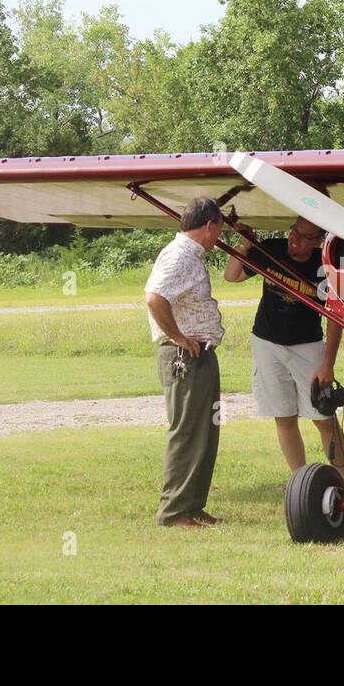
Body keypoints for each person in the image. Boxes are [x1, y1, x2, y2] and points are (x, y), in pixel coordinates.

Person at [224, 217, 344, 484]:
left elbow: (335, 316)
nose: (295, 240)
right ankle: (301, 484)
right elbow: (232, 276)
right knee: (283, 416)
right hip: (266, 343)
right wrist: (245, 245)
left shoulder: (325, 265)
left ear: (319, 240)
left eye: (305, 237)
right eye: (294, 232)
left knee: (324, 418)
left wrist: (328, 364)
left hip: (307, 346)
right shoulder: (273, 249)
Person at [144, 197, 226, 529]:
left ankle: (192, 505)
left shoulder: (191, 256)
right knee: (187, 431)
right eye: (219, 230)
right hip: (185, 356)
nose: (219, 237)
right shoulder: (179, 256)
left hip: (200, 353)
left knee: (205, 432)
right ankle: (174, 511)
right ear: (209, 225)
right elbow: (154, 297)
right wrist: (177, 336)